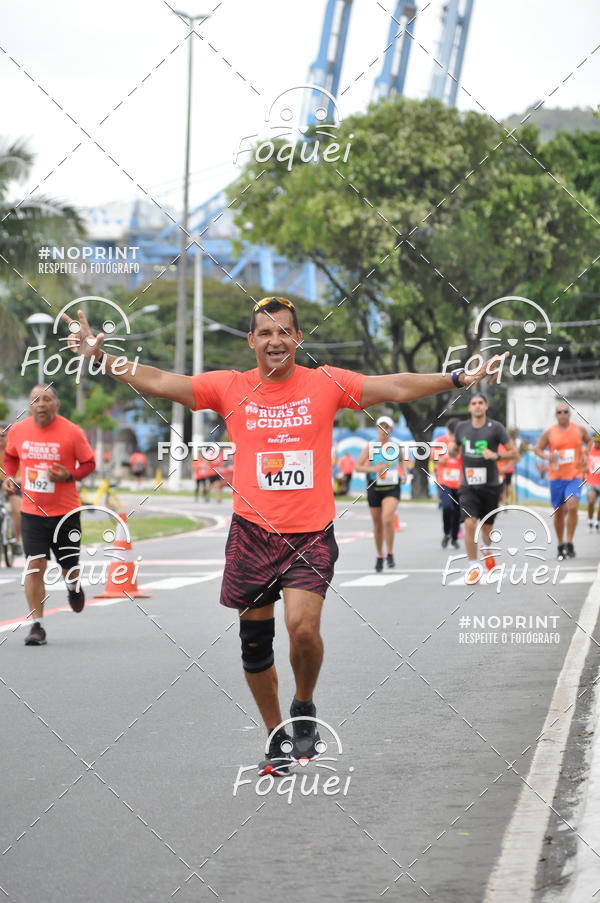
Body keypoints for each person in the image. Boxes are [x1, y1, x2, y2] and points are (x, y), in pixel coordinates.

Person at [64, 297, 502, 772]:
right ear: (252, 340)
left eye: (284, 332)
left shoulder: (326, 383)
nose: (276, 341)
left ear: (297, 338)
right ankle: (276, 735)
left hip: (309, 534)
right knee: (255, 645)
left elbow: (395, 385)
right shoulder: (229, 387)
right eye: (265, 333)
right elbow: (162, 381)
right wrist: (100, 357)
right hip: (252, 534)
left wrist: (458, 378)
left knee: (304, 629)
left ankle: (304, 705)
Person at [3, 386, 96, 645]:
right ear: (30, 405)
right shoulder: (19, 431)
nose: (41, 404)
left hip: (65, 512)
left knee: (68, 567)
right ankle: (37, 625)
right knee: (34, 566)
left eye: (46, 399)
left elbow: (89, 463)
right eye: (35, 400)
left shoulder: (72, 432)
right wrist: (9, 476)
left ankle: (73, 587)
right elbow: (10, 457)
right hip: (32, 511)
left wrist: (68, 475)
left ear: (56, 404)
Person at [451, 394, 519, 585]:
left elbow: (515, 454)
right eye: (474, 403)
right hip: (468, 486)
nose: (477, 406)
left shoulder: (496, 428)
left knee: (487, 528)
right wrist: (451, 449)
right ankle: (474, 566)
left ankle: (486, 549)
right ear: (469, 407)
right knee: (470, 523)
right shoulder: (461, 428)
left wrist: (496, 456)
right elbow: (455, 449)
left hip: (490, 486)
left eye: (481, 403)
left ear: (486, 406)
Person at [534, 402, 590, 559]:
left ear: (570, 413)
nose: (563, 414)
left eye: (566, 411)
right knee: (559, 512)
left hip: (575, 475)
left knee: (572, 505)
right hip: (556, 477)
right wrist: (547, 456)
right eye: (559, 412)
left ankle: (570, 541)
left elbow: (590, 441)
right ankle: (561, 544)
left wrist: (585, 453)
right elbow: (538, 449)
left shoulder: (579, 430)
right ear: (556, 415)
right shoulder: (550, 433)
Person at [355, 416, 405, 571]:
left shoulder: (395, 446)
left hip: (392, 487)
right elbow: (358, 467)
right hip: (374, 488)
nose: (384, 430)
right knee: (377, 525)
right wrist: (373, 469)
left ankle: (390, 552)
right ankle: (380, 555)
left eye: (387, 427)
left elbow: (402, 462)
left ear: (391, 430)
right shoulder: (370, 447)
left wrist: (404, 474)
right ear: (376, 429)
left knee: (387, 519)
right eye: (381, 427)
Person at [433, 418, 461, 549]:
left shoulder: (463, 443)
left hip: (459, 482)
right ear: (448, 432)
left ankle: (454, 537)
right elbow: (434, 458)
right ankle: (446, 533)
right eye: (452, 434)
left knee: (457, 511)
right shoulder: (439, 442)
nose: (454, 437)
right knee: (447, 506)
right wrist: (441, 459)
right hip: (444, 482)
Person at [0, 425, 23, 556]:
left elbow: (23, 467)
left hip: (13, 482)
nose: (0, 439)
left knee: (17, 510)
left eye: (2, 436)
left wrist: (18, 479)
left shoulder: (14, 449)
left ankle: (17, 542)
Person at [586, 434, 600, 532]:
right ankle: (590, 521)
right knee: (591, 501)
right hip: (591, 481)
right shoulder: (590, 449)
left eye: (598, 442)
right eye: (595, 441)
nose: (596, 444)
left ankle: (597, 523)